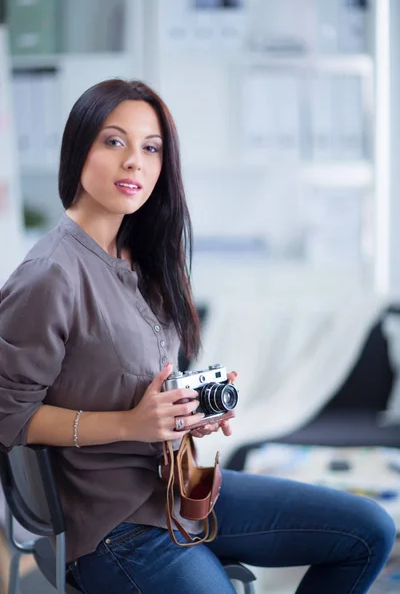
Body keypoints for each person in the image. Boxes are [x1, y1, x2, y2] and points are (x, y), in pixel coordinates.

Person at [0, 78, 396, 594]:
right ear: (78, 149)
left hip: (180, 494)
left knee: (369, 531)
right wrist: (130, 424)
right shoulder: (49, 274)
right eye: (114, 141)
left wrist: (187, 411)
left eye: (151, 148)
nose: (134, 162)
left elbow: (126, 376)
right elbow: (10, 414)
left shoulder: (139, 259)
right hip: (117, 529)